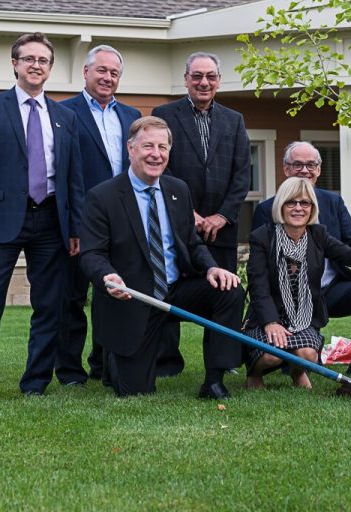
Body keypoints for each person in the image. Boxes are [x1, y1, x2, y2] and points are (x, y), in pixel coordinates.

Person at [80, 116, 244, 398]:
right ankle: (113, 359)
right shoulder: (102, 196)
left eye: (163, 147)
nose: (156, 154)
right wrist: (107, 276)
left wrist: (211, 268)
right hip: (133, 296)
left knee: (229, 290)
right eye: (148, 146)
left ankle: (214, 380)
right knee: (135, 391)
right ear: (130, 149)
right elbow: (92, 253)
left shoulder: (177, 190)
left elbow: (191, 243)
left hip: (175, 289)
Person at [0, 32, 84, 396]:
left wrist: (74, 226)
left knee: (50, 306)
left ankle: (36, 383)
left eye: (43, 60)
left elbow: (73, 177)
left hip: (51, 221)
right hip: (2, 222)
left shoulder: (64, 116)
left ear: (50, 67)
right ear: (15, 64)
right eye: (29, 59)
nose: (36, 65)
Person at [245, 177, 351, 389]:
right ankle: (254, 372)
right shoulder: (263, 237)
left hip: (303, 316)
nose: (298, 208)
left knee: (307, 355)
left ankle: (298, 371)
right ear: (281, 205)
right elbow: (258, 285)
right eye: (291, 202)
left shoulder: (318, 234)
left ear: (312, 208)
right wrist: (270, 322)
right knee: (271, 357)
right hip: (268, 314)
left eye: (304, 203)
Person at [152, 52, 251, 377]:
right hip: (178, 224)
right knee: (169, 286)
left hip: (222, 230)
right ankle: (166, 361)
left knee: (223, 292)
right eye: (196, 76)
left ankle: (221, 362)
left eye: (210, 76)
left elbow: (242, 175)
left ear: (219, 81)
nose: (203, 82)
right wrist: (188, 213)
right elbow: (160, 168)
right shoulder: (164, 115)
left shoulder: (234, 119)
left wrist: (222, 216)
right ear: (186, 79)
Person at [252, 141, 351, 377]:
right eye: (298, 165)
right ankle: (289, 360)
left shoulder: (333, 202)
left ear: (319, 169)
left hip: (329, 289)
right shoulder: (267, 209)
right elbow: (260, 273)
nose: (305, 170)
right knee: (283, 354)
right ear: (286, 169)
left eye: (311, 165)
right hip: (286, 297)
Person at [58, 45, 142, 386]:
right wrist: (73, 225)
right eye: (101, 70)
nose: (108, 77)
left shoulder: (132, 115)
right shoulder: (64, 113)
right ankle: (69, 371)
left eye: (114, 73)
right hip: (80, 221)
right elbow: (62, 174)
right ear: (86, 72)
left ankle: (104, 364)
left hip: (122, 222)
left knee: (114, 295)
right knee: (73, 297)